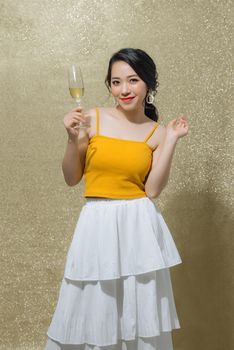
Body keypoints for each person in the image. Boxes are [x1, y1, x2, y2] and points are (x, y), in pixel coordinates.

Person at [44, 48, 189, 350]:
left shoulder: (157, 133)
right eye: (116, 82)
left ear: (148, 84)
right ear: (109, 85)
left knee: (141, 304)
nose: (124, 90)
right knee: (95, 302)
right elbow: (72, 178)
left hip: (139, 226)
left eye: (133, 80)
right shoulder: (91, 119)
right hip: (97, 223)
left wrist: (172, 139)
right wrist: (72, 139)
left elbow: (152, 190)